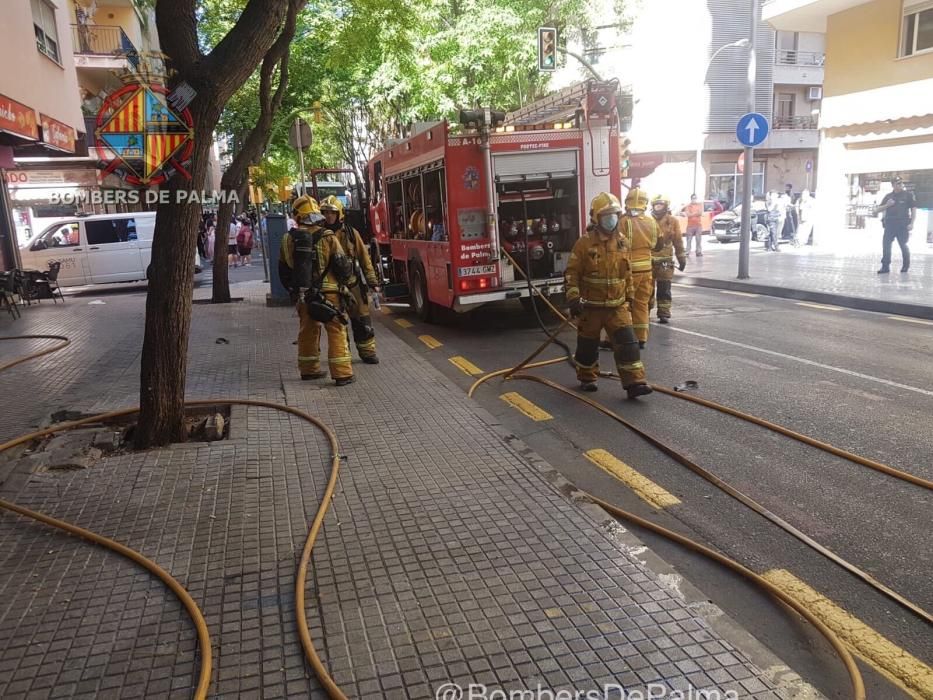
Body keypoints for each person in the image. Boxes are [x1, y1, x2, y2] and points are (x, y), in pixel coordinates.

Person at [566, 192, 652, 400]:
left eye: (614, 215)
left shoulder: (622, 242)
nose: (611, 220)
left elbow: (627, 273)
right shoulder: (584, 244)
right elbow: (572, 273)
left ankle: (635, 382)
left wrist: (629, 297)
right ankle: (587, 378)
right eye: (606, 216)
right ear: (596, 218)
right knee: (587, 347)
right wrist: (574, 298)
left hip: (617, 307)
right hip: (591, 308)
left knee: (628, 345)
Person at [278, 196, 355, 386]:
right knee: (336, 328)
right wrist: (346, 282)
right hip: (329, 293)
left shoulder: (288, 239)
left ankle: (309, 370)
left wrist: (294, 291)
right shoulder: (328, 236)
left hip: (304, 293)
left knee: (307, 330)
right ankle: (342, 373)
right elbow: (342, 265)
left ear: (297, 216)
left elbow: (283, 269)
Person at [320, 195, 381, 364]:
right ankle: (343, 355)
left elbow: (364, 259)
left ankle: (367, 352)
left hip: (352, 284)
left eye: (332, 212)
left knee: (362, 319)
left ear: (340, 214)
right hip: (331, 286)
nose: (328, 216)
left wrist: (372, 283)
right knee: (338, 323)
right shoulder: (319, 235)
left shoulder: (352, 234)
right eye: (325, 212)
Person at [621, 187, 658, 347]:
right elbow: (658, 244)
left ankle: (619, 339)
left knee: (623, 305)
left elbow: (616, 244)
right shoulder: (651, 221)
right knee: (642, 304)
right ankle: (641, 338)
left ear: (627, 202)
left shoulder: (623, 222)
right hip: (647, 271)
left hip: (630, 271)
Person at [650, 195, 686, 325]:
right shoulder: (647, 220)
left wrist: (682, 258)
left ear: (666, 206)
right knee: (647, 288)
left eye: (660, 205)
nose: (658, 208)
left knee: (664, 288)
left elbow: (678, 241)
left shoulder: (672, 221)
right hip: (649, 260)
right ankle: (645, 310)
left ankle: (664, 313)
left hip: (665, 261)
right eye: (656, 205)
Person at [876, 177, 916, 274]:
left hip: (902, 225)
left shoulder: (908, 195)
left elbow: (914, 209)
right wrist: (887, 205)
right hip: (890, 225)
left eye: (901, 183)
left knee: (903, 245)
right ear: (893, 185)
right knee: (886, 246)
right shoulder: (888, 196)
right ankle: (885, 267)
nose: (900, 184)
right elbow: (877, 209)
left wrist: (912, 223)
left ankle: (905, 266)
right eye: (898, 183)